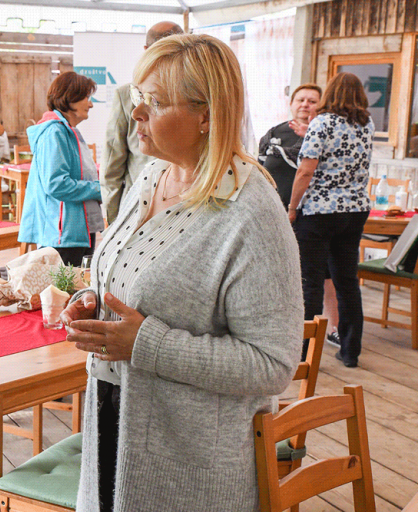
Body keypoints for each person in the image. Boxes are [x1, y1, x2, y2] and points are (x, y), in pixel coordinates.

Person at [61, 34, 303, 512]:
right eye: (137, 97)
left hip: (187, 464)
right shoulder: (154, 174)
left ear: (206, 115)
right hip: (112, 417)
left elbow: (272, 363)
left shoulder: (250, 211)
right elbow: (133, 273)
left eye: (154, 102)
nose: (136, 113)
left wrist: (146, 344)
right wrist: (93, 301)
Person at [288, 72, 374, 368]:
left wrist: (292, 207)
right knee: (347, 281)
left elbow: (306, 170)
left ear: (330, 94)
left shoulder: (321, 123)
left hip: (319, 212)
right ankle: (350, 351)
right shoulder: (367, 124)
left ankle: (301, 355)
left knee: (309, 282)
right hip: (355, 210)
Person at [18, 71, 103, 267]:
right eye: (86, 98)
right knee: (66, 286)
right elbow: (56, 185)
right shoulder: (54, 132)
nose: (90, 104)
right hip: (63, 235)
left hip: (76, 231)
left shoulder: (67, 130)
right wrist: (99, 188)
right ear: (70, 98)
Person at [102, 21, 184, 225]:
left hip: (184, 208)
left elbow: (111, 166)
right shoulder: (126, 96)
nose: (138, 113)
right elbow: (112, 165)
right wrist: (114, 221)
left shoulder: (193, 94)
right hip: (139, 210)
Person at [258, 83, 322, 208]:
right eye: (300, 100)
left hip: (309, 209)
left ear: (321, 106)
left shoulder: (326, 135)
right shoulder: (274, 133)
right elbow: (259, 170)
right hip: (271, 206)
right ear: (291, 104)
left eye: (312, 101)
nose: (305, 104)